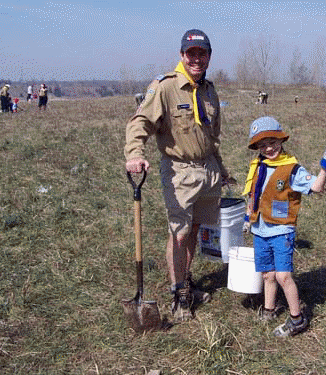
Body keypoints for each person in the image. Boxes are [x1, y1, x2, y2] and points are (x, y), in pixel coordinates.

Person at [124, 29, 233, 323]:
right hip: (179, 172)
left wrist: (221, 169)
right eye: (191, 53)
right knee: (179, 233)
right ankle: (179, 293)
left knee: (196, 229)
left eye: (202, 53)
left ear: (209, 56)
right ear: (182, 55)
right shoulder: (164, 87)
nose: (197, 59)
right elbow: (140, 122)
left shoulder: (210, 90)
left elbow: (212, 136)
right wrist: (134, 153)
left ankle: (186, 280)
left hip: (208, 170)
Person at [241, 116, 326, 337]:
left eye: (273, 142)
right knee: (267, 274)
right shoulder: (258, 165)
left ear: (281, 140)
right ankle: (269, 309)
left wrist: (325, 167)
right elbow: (253, 195)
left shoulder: (291, 168)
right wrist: (248, 219)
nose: (269, 148)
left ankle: (297, 319)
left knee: (283, 276)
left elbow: (316, 187)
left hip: (281, 230)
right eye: (263, 144)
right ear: (256, 146)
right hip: (260, 229)